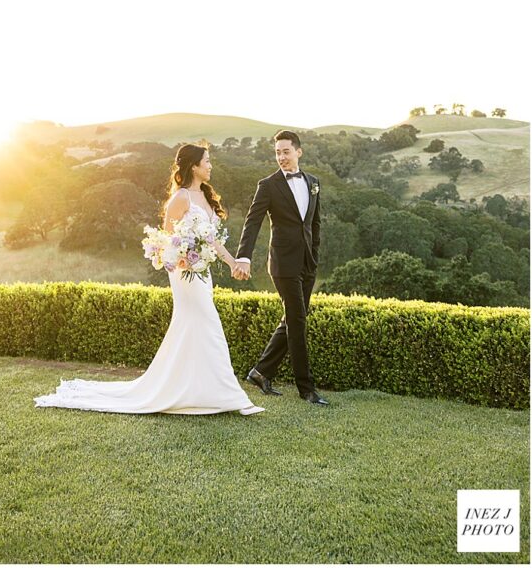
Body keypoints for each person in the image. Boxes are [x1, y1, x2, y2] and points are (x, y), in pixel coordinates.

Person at [34, 142, 263, 416]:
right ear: (193, 166)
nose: (211, 165)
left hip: (202, 272)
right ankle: (230, 396)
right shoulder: (181, 198)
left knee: (196, 327)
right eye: (207, 161)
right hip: (184, 274)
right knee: (208, 324)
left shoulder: (204, 195)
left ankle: (198, 391)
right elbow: (168, 240)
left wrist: (232, 261)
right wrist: (182, 257)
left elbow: (212, 240)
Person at [232, 130, 329, 406]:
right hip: (283, 263)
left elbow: (314, 223)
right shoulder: (268, 185)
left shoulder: (313, 182)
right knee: (297, 320)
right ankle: (306, 389)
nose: (281, 157)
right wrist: (244, 257)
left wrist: (316, 255)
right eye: (277, 152)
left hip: (307, 263)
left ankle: (261, 372)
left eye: (286, 151)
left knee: (292, 319)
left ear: (299, 152)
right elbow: (253, 222)